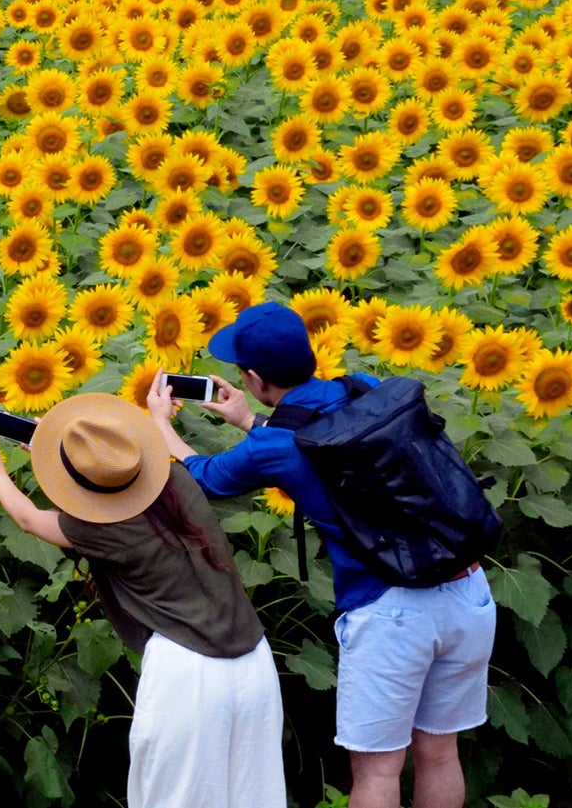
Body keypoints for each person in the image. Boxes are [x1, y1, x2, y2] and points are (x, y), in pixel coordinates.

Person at [145, 301, 496, 808]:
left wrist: (161, 424)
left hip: (391, 613)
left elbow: (203, 478)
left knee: (377, 773)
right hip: (466, 588)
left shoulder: (276, 445)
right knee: (440, 754)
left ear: (252, 376)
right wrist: (251, 420)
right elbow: (320, 443)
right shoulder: (365, 389)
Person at [0, 392, 286, 808]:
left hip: (188, 671)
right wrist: (62, 452)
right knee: (251, 796)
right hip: (254, 662)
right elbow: (117, 471)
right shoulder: (178, 482)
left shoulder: (99, 528)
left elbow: (29, 519)